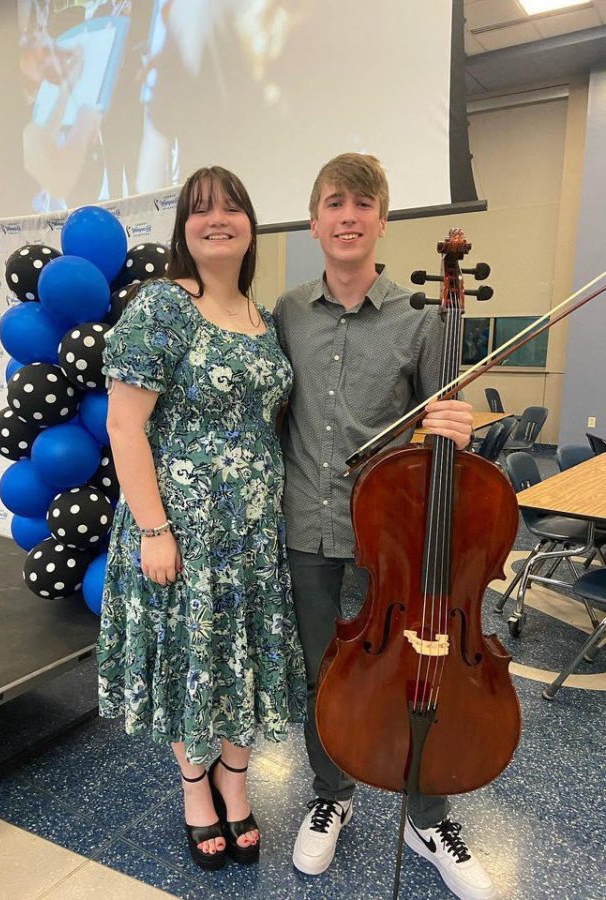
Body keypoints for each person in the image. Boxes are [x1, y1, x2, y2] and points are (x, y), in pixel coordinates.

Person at [274, 153, 495, 900]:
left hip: (396, 542)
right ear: (314, 222)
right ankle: (331, 793)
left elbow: (443, 432)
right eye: (334, 203)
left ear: (381, 221)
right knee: (321, 674)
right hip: (306, 527)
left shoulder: (421, 319)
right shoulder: (286, 313)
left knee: (417, 670)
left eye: (362, 205)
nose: (347, 216)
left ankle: (424, 816)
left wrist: (457, 426)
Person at [97, 165, 306, 870]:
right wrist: (154, 530)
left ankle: (234, 781)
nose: (218, 219)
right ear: (184, 229)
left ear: (251, 225)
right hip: (180, 532)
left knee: (243, 660)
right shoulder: (163, 305)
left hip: (251, 534)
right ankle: (195, 790)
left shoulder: (264, 318)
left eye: (232, 209)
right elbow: (124, 427)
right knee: (190, 659)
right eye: (200, 210)